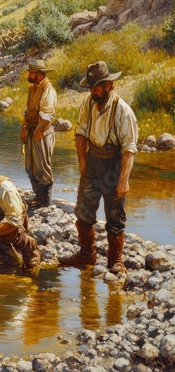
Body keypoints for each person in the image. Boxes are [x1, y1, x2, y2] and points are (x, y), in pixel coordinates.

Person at [60, 61, 138, 274]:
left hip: (113, 165)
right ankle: (87, 254)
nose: (92, 91)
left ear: (108, 86)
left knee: (115, 216)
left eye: (96, 87)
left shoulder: (123, 111)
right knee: (83, 212)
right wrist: (82, 162)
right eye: (90, 87)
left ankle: (115, 261)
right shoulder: (87, 103)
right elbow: (80, 133)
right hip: (92, 161)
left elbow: (129, 149)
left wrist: (124, 179)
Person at [20, 59, 57, 209]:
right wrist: (23, 128)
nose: (29, 75)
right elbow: (27, 111)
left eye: (31, 72)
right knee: (29, 166)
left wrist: (38, 132)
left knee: (42, 167)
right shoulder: (32, 89)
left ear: (40, 75)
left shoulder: (48, 90)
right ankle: (38, 196)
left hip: (42, 133)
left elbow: (47, 116)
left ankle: (45, 202)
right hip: (31, 130)